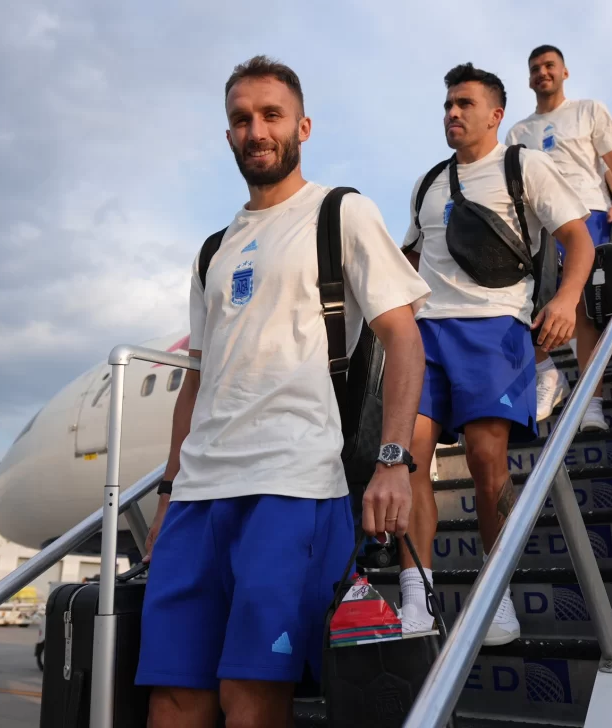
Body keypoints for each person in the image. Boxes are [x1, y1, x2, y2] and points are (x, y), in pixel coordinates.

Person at [134, 55, 431, 728]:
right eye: (241, 119)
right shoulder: (213, 249)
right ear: (229, 134)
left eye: (270, 115)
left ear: (302, 125)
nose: (256, 130)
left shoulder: (341, 213)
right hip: (197, 502)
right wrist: (169, 488)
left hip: (293, 488)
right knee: (174, 700)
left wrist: (393, 461)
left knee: (251, 696)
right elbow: (198, 381)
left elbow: (404, 340)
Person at [400, 63, 593, 644]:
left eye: (463, 104)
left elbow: (578, 240)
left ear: (495, 115)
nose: (452, 114)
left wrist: (564, 299)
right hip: (427, 333)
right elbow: (409, 262)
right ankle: (418, 595)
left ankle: (497, 593)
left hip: (494, 331)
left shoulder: (523, 166)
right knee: (409, 457)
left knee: (488, 466)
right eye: (446, 106)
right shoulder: (430, 181)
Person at [506, 45, 612, 430]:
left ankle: (591, 402)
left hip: (586, 211)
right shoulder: (518, 131)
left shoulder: (588, 110)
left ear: (564, 72)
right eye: (534, 68)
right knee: (521, 301)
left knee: (582, 308)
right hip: (540, 225)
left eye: (549, 66)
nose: (542, 72)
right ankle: (550, 373)